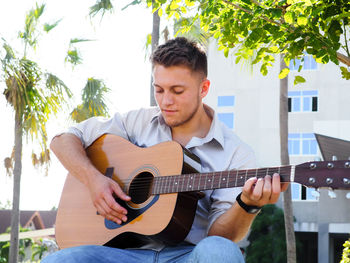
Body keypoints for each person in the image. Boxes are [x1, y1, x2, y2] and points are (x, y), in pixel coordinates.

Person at [43, 37, 287, 263]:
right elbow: (63, 139)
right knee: (57, 260)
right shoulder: (137, 122)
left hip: (187, 255)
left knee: (220, 250)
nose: (165, 101)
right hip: (122, 253)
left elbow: (219, 236)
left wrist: (247, 204)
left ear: (204, 88)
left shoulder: (237, 154)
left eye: (177, 91)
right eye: (159, 89)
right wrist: (94, 179)